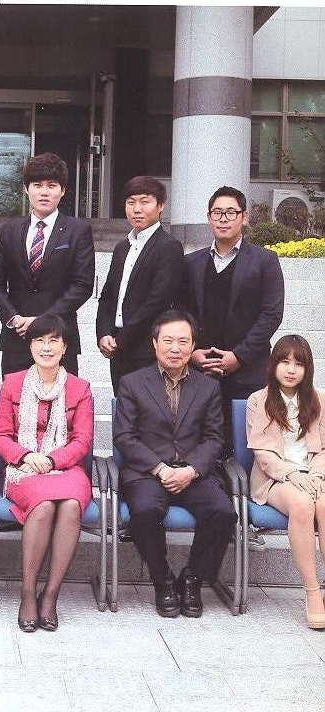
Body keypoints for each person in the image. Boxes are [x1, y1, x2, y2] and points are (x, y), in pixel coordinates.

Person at [113, 310, 237, 618]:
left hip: (194, 473)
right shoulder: (132, 383)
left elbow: (214, 438)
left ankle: (193, 579)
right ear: (155, 343)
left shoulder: (208, 386)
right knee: (144, 511)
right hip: (148, 472)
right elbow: (125, 437)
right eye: (168, 340)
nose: (175, 348)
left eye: (183, 342)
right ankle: (162, 579)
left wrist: (191, 470)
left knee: (223, 512)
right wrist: (161, 469)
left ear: (193, 346)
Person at [0, 314, 93, 632]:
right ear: (30, 346)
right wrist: (26, 456)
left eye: (53, 341)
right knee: (45, 505)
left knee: (72, 505)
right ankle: (27, 594)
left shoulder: (80, 388)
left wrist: (51, 460)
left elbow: (82, 440)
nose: (46, 348)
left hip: (65, 467)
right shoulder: (12, 383)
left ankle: (50, 595)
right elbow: (1, 437)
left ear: (65, 347)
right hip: (22, 467)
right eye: (39, 340)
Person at [182, 186, 285, 442]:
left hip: (248, 370)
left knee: (245, 445)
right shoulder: (191, 263)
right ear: (209, 218)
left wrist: (238, 356)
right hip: (201, 369)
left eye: (231, 212)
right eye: (217, 213)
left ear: (244, 217)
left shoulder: (265, 260)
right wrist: (192, 352)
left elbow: (271, 314)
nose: (223, 219)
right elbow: (181, 313)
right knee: (202, 444)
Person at [0, 153, 95, 377]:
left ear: (62, 190)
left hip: (59, 337)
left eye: (51, 185)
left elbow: (82, 285)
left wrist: (43, 321)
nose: (44, 192)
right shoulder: (10, 231)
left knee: (62, 399)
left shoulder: (78, 231)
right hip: (16, 337)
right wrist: (12, 318)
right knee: (15, 397)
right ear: (27, 189)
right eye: (37, 185)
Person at [246, 335, 325, 629]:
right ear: (274, 364)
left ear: (308, 369)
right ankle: (312, 591)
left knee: (324, 503)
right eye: (284, 361)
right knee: (302, 504)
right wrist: (292, 474)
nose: (291, 370)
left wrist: (315, 474)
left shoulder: (318, 400)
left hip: (313, 474)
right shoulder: (259, 400)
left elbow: (324, 449)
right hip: (275, 478)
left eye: (299, 364)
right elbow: (262, 453)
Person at [96, 176, 184, 394]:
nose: (137, 209)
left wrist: (122, 339)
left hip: (147, 349)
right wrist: (103, 334)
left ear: (161, 205)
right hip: (117, 348)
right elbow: (107, 295)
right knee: (121, 407)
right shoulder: (122, 247)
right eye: (131, 202)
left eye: (145, 202)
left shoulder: (169, 247)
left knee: (149, 410)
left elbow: (157, 300)